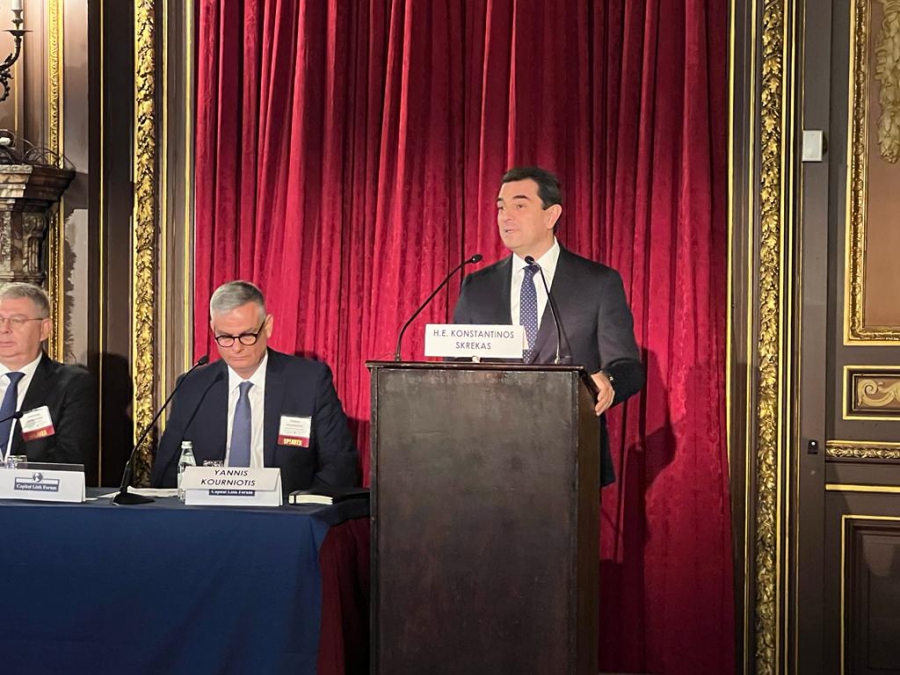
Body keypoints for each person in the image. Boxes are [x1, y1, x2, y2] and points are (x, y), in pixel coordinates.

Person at [453, 166, 644, 485]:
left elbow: (628, 366)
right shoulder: (477, 286)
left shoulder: (598, 283)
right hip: (489, 458)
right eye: (501, 207)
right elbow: (455, 366)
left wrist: (607, 380)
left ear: (551, 215)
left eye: (519, 205)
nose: (505, 216)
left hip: (571, 454)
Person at [151, 280, 359, 493]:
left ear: (267, 326)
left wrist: (303, 505)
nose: (236, 348)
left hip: (285, 509)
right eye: (225, 337)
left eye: (247, 335)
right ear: (213, 329)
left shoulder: (308, 382)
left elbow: (340, 465)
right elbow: (165, 470)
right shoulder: (193, 386)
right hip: (206, 508)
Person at [0, 282, 97, 465]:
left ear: (44, 329)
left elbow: (70, 456)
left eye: (17, 320)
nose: (4, 329)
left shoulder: (71, 385)